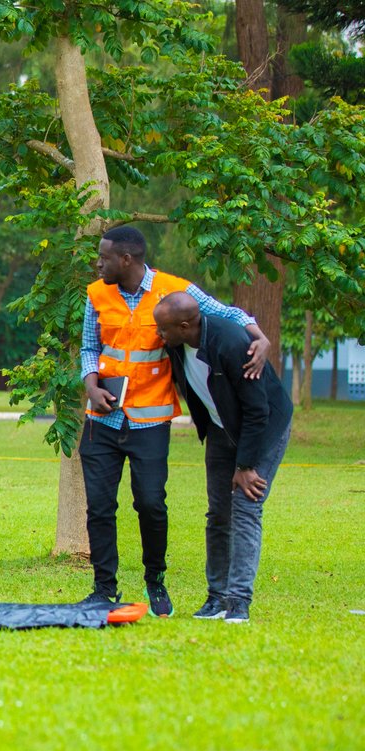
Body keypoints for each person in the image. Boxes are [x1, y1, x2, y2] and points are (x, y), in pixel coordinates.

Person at [79, 225, 270, 615]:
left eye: (104, 257)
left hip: (150, 421)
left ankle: (155, 583)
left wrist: (259, 335)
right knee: (99, 507)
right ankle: (103, 589)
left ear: (126, 259)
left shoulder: (173, 289)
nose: (98, 263)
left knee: (151, 504)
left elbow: (225, 313)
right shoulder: (96, 294)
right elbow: (89, 346)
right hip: (102, 420)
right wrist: (91, 385)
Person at [153, 292, 292, 624]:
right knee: (218, 512)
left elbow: (257, 411)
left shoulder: (231, 343)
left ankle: (238, 601)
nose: (159, 335)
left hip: (264, 426)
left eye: (163, 330)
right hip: (220, 428)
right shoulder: (176, 342)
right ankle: (216, 598)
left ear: (185, 326)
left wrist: (245, 467)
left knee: (245, 506)